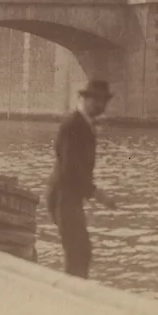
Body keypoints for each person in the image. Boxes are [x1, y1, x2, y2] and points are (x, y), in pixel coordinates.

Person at [45, 78, 117, 279]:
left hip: (69, 195)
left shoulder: (84, 124)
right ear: (85, 100)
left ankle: (73, 290)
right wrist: (96, 193)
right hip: (62, 195)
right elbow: (69, 168)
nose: (101, 105)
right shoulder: (74, 125)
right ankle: (72, 298)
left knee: (79, 249)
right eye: (96, 100)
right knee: (78, 250)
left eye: (104, 101)